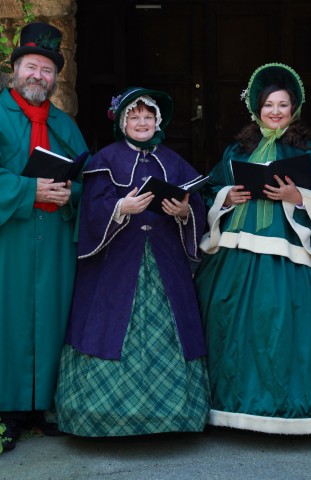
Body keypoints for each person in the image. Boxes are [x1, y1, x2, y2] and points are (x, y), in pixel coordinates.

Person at [194, 63, 311, 434]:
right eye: (269, 105)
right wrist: (228, 195)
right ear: (257, 110)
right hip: (237, 248)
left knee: (291, 322)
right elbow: (210, 187)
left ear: (294, 110)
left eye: (283, 105)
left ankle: (298, 405)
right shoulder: (236, 150)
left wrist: (297, 196)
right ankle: (232, 404)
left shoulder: (310, 151)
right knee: (230, 319)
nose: (275, 112)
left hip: (294, 247)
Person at [54, 87, 210, 437]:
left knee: (172, 331)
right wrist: (119, 209)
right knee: (109, 327)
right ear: (123, 123)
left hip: (165, 260)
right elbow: (90, 210)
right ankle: (100, 419)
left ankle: (175, 417)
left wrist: (184, 212)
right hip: (115, 265)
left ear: (158, 122)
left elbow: (198, 203)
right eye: (134, 117)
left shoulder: (174, 161)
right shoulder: (104, 160)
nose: (142, 122)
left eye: (148, 117)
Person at [0, 22, 90, 450]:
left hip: (53, 238)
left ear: (56, 78)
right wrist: (29, 190)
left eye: (47, 70)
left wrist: (67, 193)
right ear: (15, 69)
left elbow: (87, 179)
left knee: (52, 316)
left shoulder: (65, 125)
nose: (39, 76)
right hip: (6, 240)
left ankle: (46, 407)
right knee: (7, 319)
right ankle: (11, 412)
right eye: (31, 67)